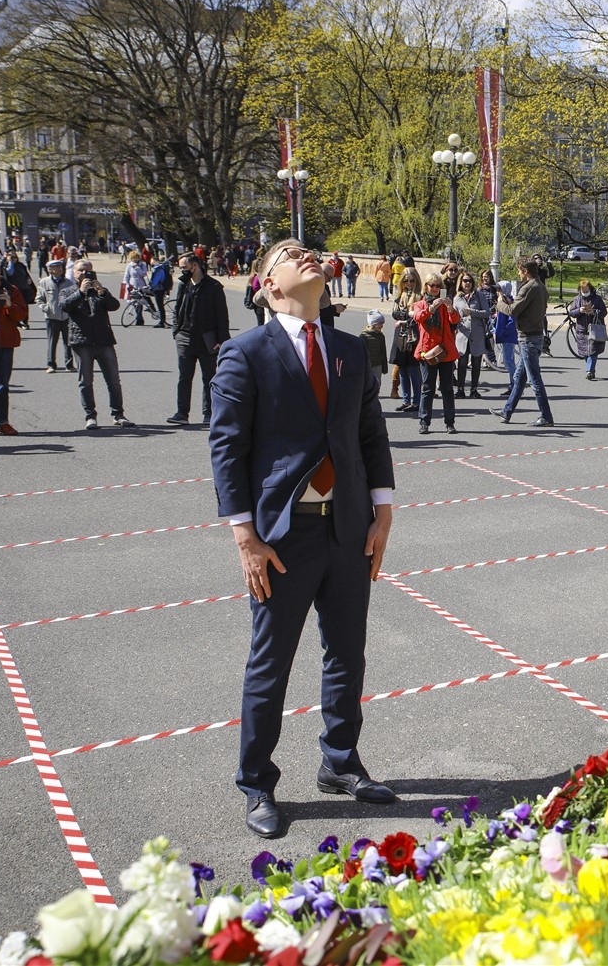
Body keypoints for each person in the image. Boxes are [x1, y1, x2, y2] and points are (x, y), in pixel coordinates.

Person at [209, 237, 396, 839]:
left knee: (347, 653)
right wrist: (245, 537)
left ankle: (340, 763)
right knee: (272, 662)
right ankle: (257, 782)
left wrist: (382, 511)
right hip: (281, 538)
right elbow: (227, 449)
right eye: (290, 254)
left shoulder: (348, 349)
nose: (307, 254)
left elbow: (371, 433)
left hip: (346, 528)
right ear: (269, 284)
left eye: (309, 250)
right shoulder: (245, 353)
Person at [64, 262, 134, 430]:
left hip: (104, 341)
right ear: (74, 273)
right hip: (81, 343)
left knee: (113, 381)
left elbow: (114, 306)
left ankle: (118, 414)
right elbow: (65, 306)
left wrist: (102, 292)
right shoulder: (68, 291)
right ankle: (90, 416)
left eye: (88, 270)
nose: (84, 273)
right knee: (86, 381)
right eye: (80, 270)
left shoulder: (99, 291)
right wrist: (81, 292)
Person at [168, 252, 231, 427]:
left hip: (207, 338)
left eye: (184, 267)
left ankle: (209, 413)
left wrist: (222, 340)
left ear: (195, 266)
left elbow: (222, 316)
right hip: (185, 337)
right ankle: (182, 413)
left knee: (209, 377)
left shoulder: (214, 287)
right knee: (184, 376)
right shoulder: (183, 284)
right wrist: (176, 331)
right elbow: (177, 309)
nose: (182, 271)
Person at [492, 258, 555, 427]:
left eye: (519, 270)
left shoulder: (528, 287)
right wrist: (511, 302)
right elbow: (525, 308)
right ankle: (507, 411)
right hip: (535, 335)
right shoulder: (540, 286)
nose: (518, 273)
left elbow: (512, 311)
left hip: (528, 338)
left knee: (535, 380)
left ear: (526, 271)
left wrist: (499, 303)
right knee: (520, 378)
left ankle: (546, 416)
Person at [411, 274, 460, 436]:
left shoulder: (445, 304)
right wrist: (431, 308)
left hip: (445, 351)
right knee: (428, 388)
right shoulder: (420, 304)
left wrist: (450, 308)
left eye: (438, 286)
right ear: (426, 286)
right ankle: (424, 422)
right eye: (431, 285)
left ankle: (450, 422)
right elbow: (418, 317)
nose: (434, 288)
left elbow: (455, 320)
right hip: (428, 352)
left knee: (447, 389)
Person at [0, 255, 30, 435]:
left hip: (4, 341)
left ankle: (2, 422)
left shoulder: (11, 290)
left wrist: (9, 304)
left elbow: (21, 315)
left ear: (0, 271)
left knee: (2, 383)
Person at [36, 257, 78, 372]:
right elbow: (39, 299)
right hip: (51, 317)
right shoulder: (44, 282)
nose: (60, 269)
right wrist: (46, 308)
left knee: (68, 342)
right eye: (56, 267)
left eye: (60, 266)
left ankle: (69, 364)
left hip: (66, 317)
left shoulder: (68, 282)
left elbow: (74, 298)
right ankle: (51, 365)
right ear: (50, 270)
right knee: (52, 342)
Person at [454, 272, 491, 398]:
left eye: (469, 280)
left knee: (476, 362)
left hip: (477, 333)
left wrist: (472, 312)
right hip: (462, 333)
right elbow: (453, 316)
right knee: (462, 362)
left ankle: (474, 389)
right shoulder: (457, 298)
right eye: (465, 280)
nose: (467, 283)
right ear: (461, 282)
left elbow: (487, 313)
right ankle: (460, 389)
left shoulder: (479, 295)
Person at [388, 273, 421, 411]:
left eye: (412, 281)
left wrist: (405, 318)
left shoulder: (420, 296)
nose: (409, 283)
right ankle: (406, 400)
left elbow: (418, 316)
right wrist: (407, 315)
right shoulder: (399, 297)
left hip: (413, 335)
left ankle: (417, 402)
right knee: (402, 370)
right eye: (406, 281)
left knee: (413, 370)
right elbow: (395, 314)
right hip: (400, 336)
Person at [569, 279, 608, 380]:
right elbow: (572, 312)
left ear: (590, 288)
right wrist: (579, 310)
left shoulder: (597, 299)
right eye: (583, 290)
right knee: (585, 352)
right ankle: (591, 369)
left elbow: (604, 312)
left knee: (593, 351)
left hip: (594, 328)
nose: (585, 292)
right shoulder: (577, 299)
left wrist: (594, 312)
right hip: (582, 329)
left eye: (586, 290)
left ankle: (589, 370)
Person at [360, 311, 388, 389]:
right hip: (368, 365)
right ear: (374, 324)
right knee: (367, 383)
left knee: (377, 383)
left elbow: (383, 352)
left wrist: (384, 367)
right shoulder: (364, 336)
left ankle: (375, 398)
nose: (382, 326)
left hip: (378, 364)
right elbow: (360, 353)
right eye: (380, 323)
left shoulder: (381, 336)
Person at [148, 254, 173, 328]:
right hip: (160, 288)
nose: (151, 263)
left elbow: (155, 280)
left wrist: (150, 286)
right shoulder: (161, 268)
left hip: (158, 289)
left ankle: (162, 322)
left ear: (155, 261)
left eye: (151, 261)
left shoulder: (158, 269)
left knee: (160, 306)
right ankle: (151, 308)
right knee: (160, 305)